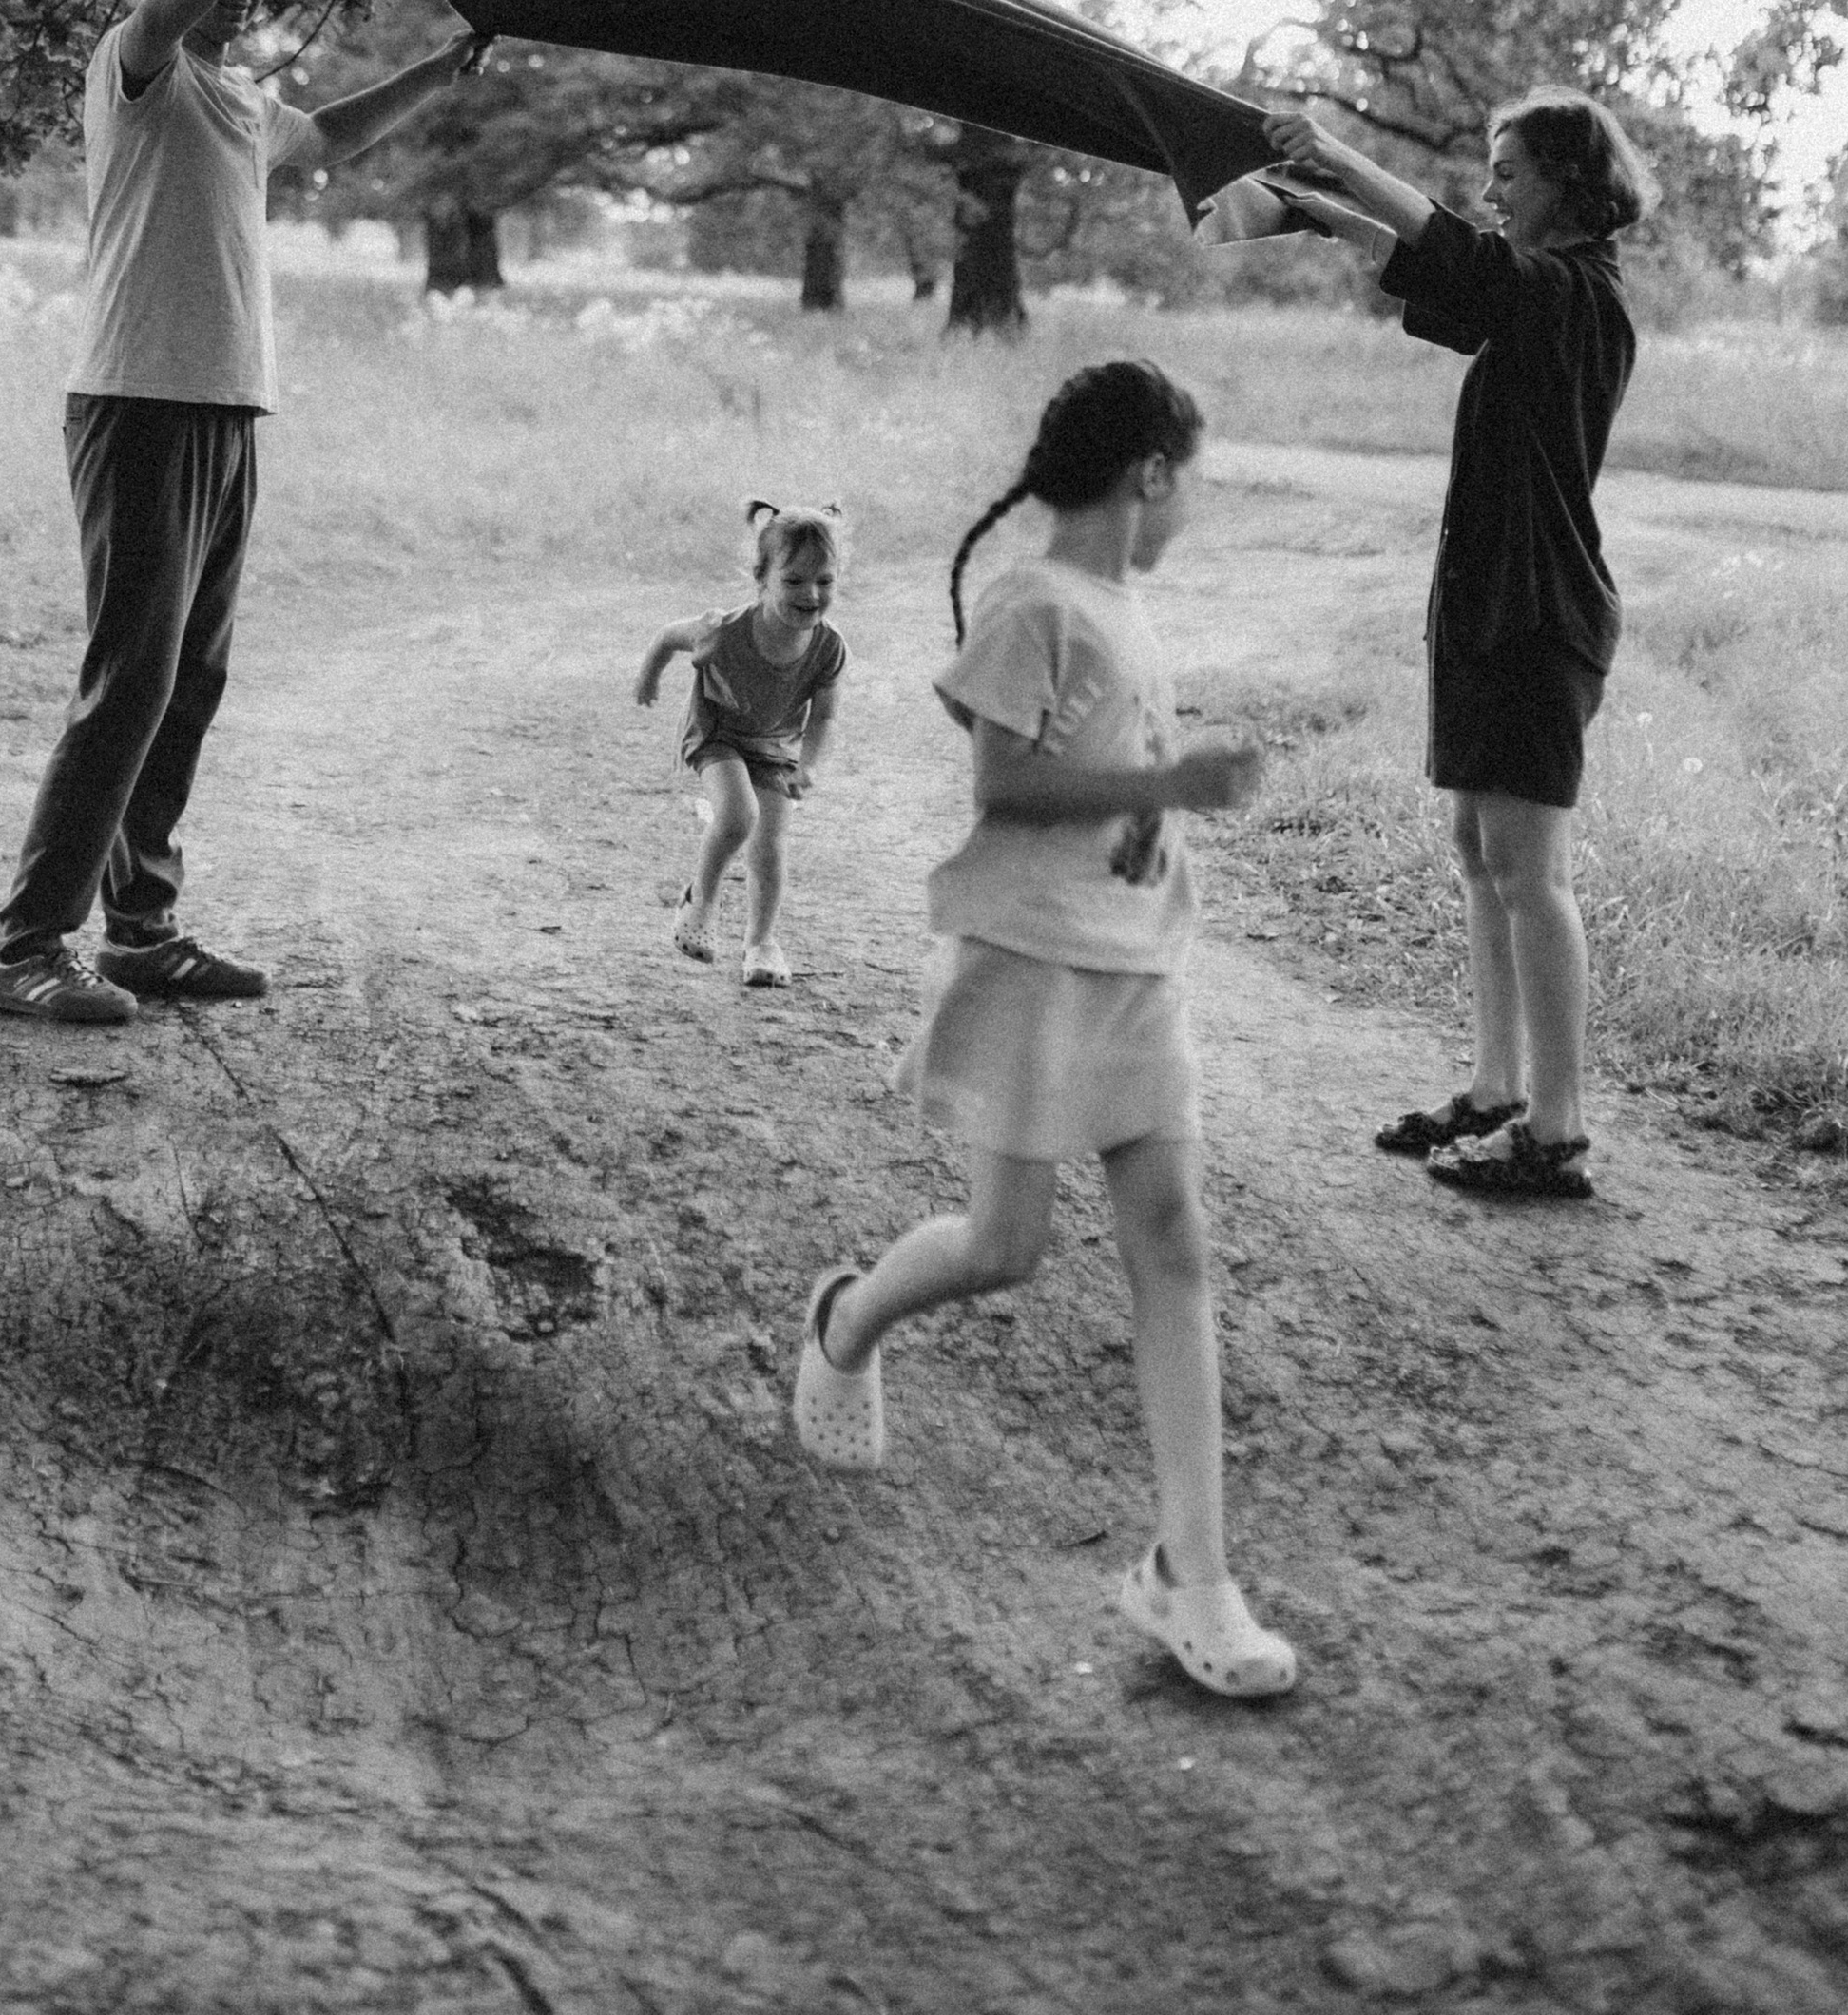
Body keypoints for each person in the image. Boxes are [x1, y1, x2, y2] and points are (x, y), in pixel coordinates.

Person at [791, 365, 1295, 1702]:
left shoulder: (1124, 607)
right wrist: (1165, 783)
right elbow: (1005, 781)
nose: (1193, 506)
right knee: (1005, 1248)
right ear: (1148, 476)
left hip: (1136, 964)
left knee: (1174, 1238)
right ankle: (850, 1319)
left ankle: (1193, 1576)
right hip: (1028, 963)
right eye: (1192, 480)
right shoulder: (1033, 600)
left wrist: (1151, 806)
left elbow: (1103, 772)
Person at [0, 0, 483, 1026]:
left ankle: (140, 930)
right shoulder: (134, 61)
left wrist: (440, 69)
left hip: (224, 406)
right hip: (136, 401)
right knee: (131, 680)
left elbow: (334, 137)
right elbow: (169, 4)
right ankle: (23, 944)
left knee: (188, 680)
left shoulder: (245, 101)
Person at [1261, 89, 1658, 1202]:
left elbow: (1451, 246)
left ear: (1572, 187)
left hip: (1539, 619)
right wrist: (1323, 209)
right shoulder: (1533, 295)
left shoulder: (1579, 299)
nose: (1493, 192)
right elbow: (1437, 264)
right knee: (1481, 860)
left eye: (1512, 174)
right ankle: (1493, 1092)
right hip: (1492, 610)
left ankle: (1557, 1129)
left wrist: (1334, 152)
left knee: (1531, 874)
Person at [635, 502, 846, 989]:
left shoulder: (829, 647)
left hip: (775, 748)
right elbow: (668, 636)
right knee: (738, 816)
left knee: (771, 847)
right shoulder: (724, 632)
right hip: (719, 733)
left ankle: (761, 943)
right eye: (793, 580)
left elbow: (826, 714)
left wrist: (807, 764)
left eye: (825, 581)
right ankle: (701, 898)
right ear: (762, 579)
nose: (811, 594)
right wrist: (649, 673)